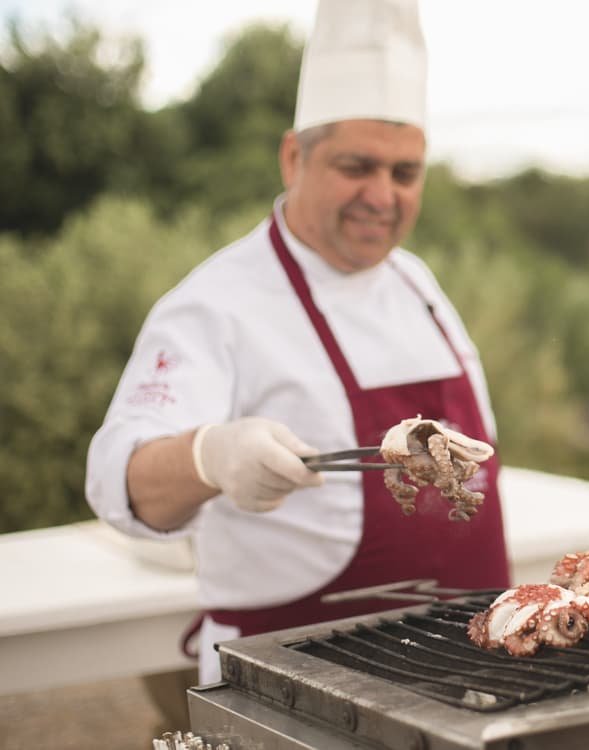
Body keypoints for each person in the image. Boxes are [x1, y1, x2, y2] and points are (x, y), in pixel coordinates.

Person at [85, 0, 510, 685]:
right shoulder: (214, 303)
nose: (383, 194)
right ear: (294, 156)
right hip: (294, 677)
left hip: (472, 666)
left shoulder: (417, 283)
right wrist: (207, 456)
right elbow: (115, 481)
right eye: (356, 166)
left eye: (405, 173)